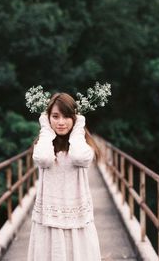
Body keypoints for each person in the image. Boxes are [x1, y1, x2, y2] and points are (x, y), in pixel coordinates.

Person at [27, 92, 102, 261]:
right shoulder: (44, 143)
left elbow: (79, 158)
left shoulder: (82, 144)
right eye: (55, 116)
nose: (61, 122)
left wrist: (78, 129)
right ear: (47, 118)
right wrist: (46, 129)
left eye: (67, 116)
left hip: (77, 218)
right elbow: (44, 159)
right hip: (49, 218)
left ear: (76, 118)